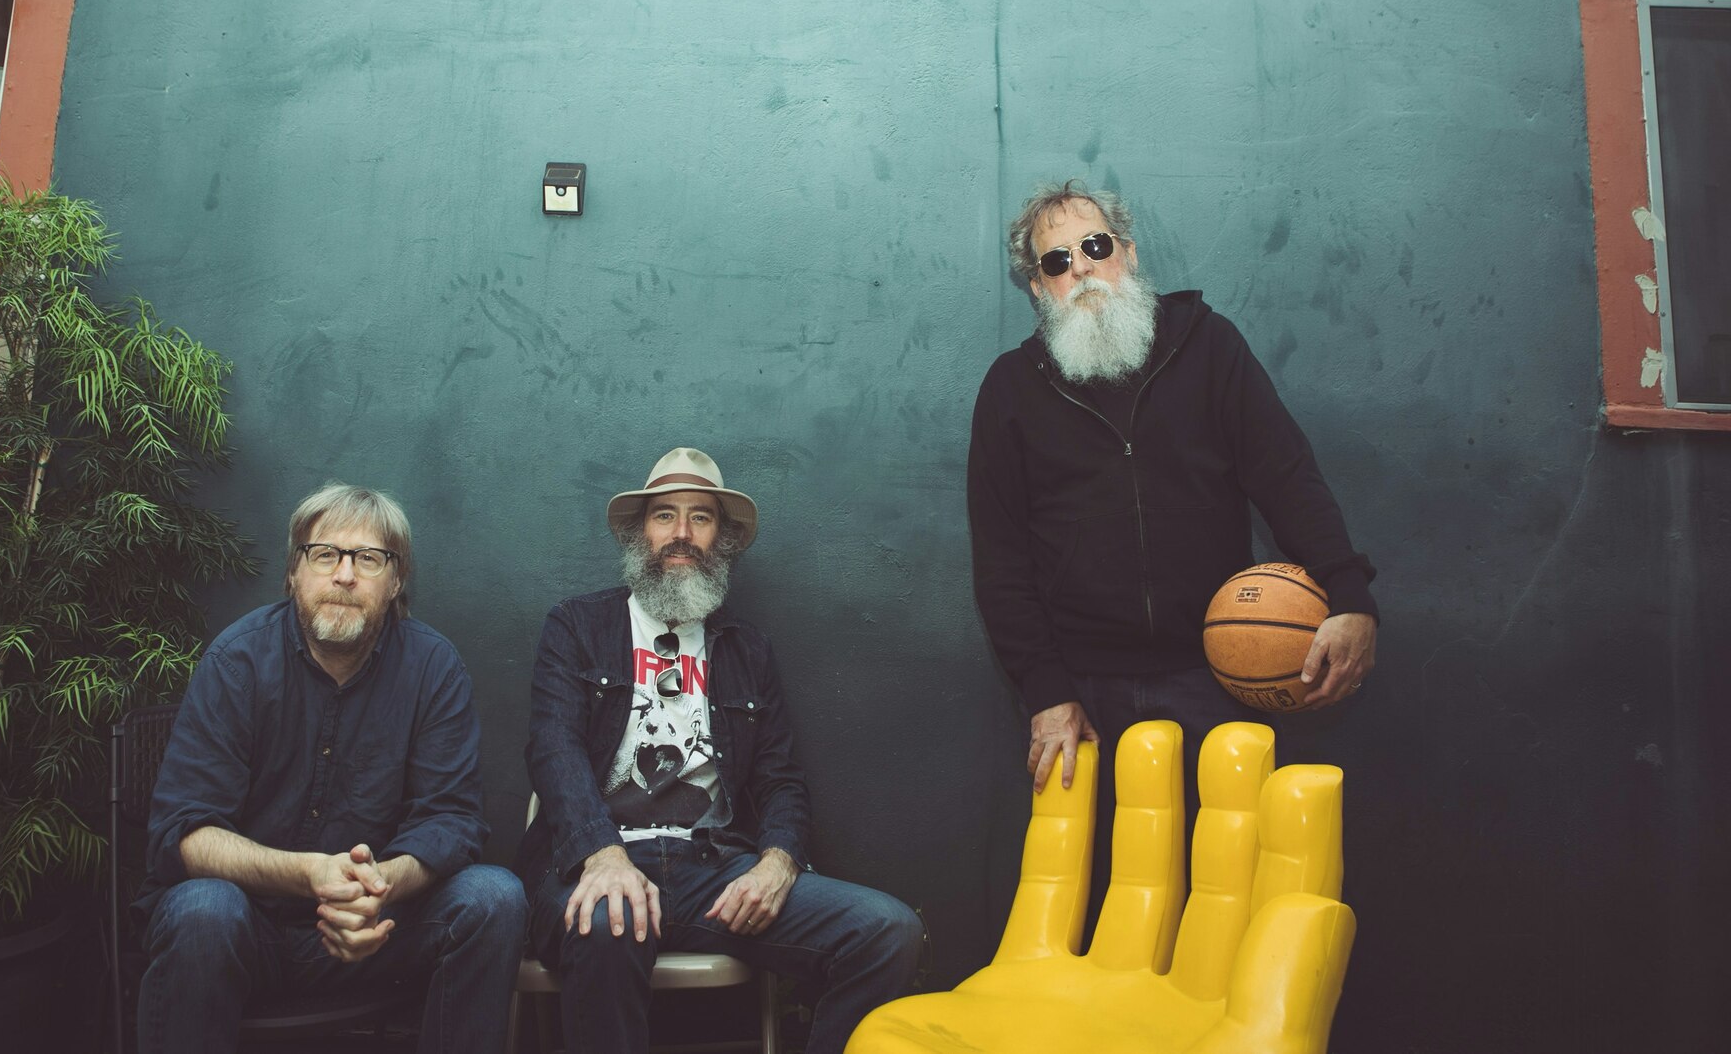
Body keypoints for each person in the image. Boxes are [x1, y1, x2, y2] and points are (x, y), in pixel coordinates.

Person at [967, 182, 1379, 808]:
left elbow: (1288, 478)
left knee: (1233, 855)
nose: (1081, 269)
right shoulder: (1010, 389)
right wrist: (1046, 690)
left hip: (1220, 674)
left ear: (1128, 254)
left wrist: (1350, 596)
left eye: (1095, 246)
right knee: (1111, 865)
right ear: (1039, 288)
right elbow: (1001, 561)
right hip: (1086, 693)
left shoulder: (1210, 346)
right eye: (1056, 260)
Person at [519, 448, 922, 1054]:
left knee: (888, 931)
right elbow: (554, 750)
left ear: (722, 540)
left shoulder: (747, 650)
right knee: (609, 922)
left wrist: (778, 863)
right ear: (639, 532)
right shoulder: (578, 625)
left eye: (700, 517)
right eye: (664, 515)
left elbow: (781, 779)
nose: (681, 533)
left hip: (712, 871)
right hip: (597, 860)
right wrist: (603, 856)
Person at [137, 483, 527, 1054]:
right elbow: (184, 833)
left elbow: (453, 820)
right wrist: (309, 874)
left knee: (494, 896)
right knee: (203, 909)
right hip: (245, 932)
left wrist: (378, 889)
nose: (344, 575)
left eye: (368, 559)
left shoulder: (433, 667)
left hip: (378, 929)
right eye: (325, 555)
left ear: (396, 581)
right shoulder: (236, 661)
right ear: (294, 572)